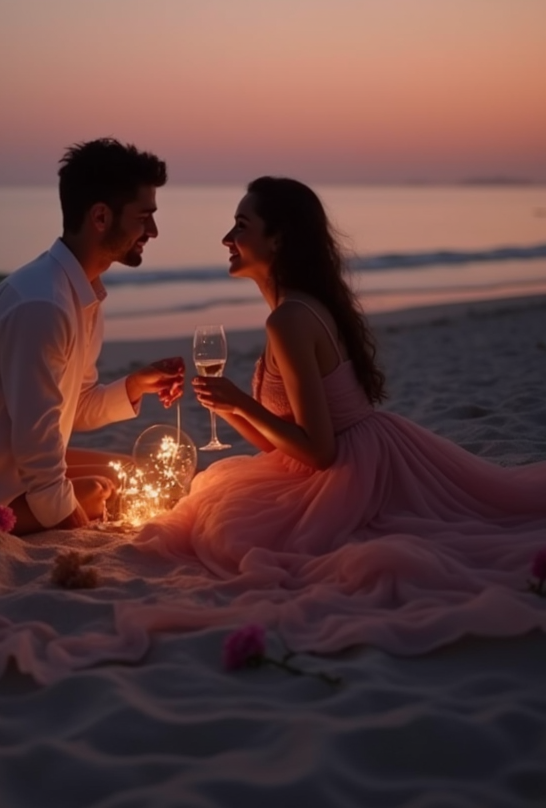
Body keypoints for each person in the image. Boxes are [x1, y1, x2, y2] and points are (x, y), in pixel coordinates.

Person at [137, 177, 546, 586]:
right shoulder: (295, 309)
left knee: (231, 531)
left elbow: (319, 453)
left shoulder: (290, 319)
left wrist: (243, 403)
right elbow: (277, 445)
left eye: (241, 225)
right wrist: (226, 405)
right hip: (359, 451)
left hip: (352, 469)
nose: (228, 238)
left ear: (278, 240)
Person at [0, 138, 184, 540]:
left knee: (127, 471)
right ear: (100, 217)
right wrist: (70, 522)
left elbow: (72, 409)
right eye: (143, 217)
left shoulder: (80, 292)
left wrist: (133, 386)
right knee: (97, 490)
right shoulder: (42, 304)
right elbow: (36, 445)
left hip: (2, 470)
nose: (154, 231)